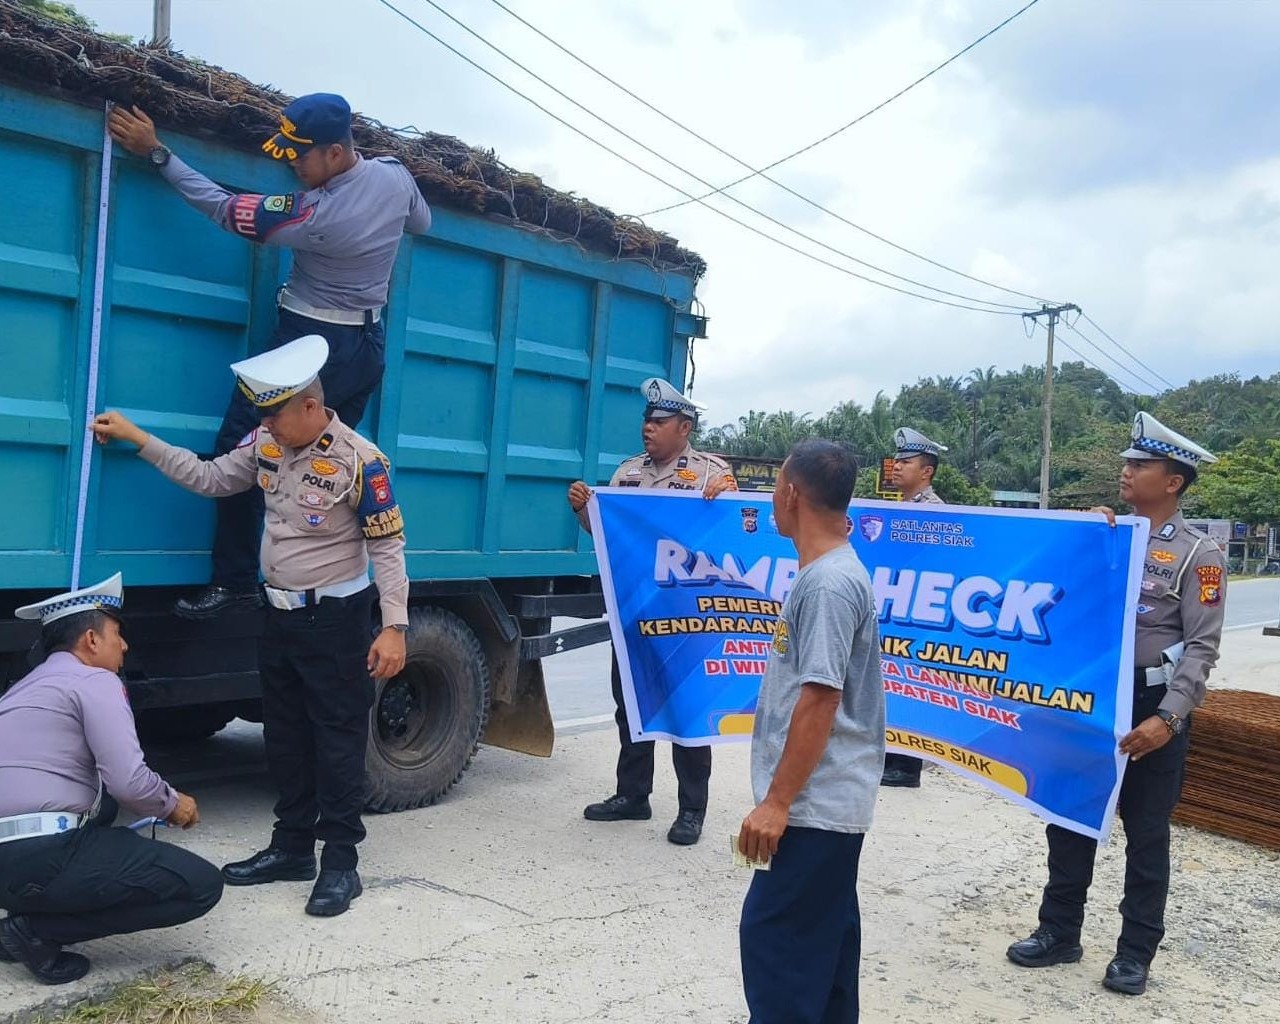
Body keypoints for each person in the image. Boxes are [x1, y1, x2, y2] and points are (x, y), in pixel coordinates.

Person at [92, 336, 410, 918]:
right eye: (263, 415)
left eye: (276, 413)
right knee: (285, 736)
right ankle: (291, 847)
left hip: (336, 620)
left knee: (336, 743)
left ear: (311, 407)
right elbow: (212, 478)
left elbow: (388, 547)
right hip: (279, 616)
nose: (266, 425)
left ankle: (340, 861)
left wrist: (394, 626)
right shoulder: (266, 443)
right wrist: (141, 441)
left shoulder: (361, 460)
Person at [108, 93, 431, 619]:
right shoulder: (395, 176)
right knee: (326, 467)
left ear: (332, 152)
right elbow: (422, 224)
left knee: (244, 452)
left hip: (308, 349)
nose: (290, 164)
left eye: (299, 156)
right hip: (367, 349)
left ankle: (235, 582)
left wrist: (158, 153)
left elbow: (221, 207)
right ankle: (323, 581)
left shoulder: (316, 214)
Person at [1006, 412, 1226, 996]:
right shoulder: (1106, 534)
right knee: (1069, 815)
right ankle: (1059, 930)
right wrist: (1086, 541)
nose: (1125, 472)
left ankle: (1135, 953)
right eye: (1127, 463)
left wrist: (1169, 717)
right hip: (1091, 697)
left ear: (1173, 480)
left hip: (1153, 700)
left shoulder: (1198, 554)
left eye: (1140, 465)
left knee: (1147, 831)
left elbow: (1202, 648)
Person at [0, 574, 221, 985]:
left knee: (104, 811)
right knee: (201, 885)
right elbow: (130, 781)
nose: (124, 645)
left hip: (5, 868)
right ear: (91, 639)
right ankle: (35, 932)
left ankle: (22, 917)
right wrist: (174, 805)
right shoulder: (95, 680)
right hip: (44, 855)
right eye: (117, 633)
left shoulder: (20, 690)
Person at [737, 440, 885, 1024]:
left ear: (792, 494)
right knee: (823, 956)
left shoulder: (827, 584)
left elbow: (821, 698)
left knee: (777, 949)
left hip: (815, 808)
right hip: (828, 805)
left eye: (776, 485)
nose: (773, 497)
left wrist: (777, 802)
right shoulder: (830, 573)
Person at [567, 378, 738, 846]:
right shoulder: (627, 474)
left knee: (687, 710)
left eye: (659, 422)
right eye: (647, 420)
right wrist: (583, 511)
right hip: (635, 614)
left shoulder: (710, 476)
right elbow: (607, 534)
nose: (648, 428)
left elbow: (731, 537)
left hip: (688, 618)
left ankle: (692, 809)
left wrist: (725, 503)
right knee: (632, 706)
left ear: (684, 427)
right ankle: (632, 795)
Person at [880, 426, 947, 789]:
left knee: (912, 685)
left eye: (906, 462)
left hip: (919, 613)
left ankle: (907, 766)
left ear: (927, 472)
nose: (897, 466)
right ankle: (892, 756)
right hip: (896, 609)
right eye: (897, 460)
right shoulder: (900, 507)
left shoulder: (935, 512)